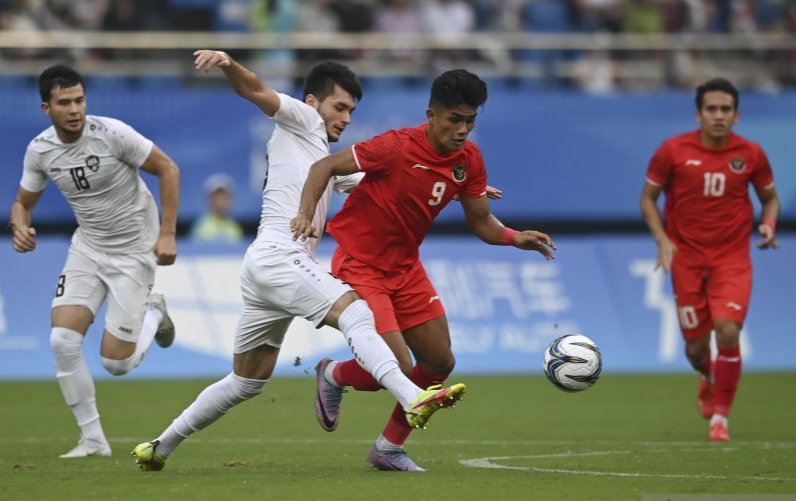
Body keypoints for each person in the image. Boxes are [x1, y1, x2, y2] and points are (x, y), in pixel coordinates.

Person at [131, 50, 466, 472]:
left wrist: (450, 182)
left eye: (351, 110)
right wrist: (229, 64)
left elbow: (385, 183)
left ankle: (160, 447)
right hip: (279, 257)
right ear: (313, 103)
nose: (345, 117)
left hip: (266, 269)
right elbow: (256, 89)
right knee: (356, 313)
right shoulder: (301, 119)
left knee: (246, 381)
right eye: (339, 107)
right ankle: (412, 397)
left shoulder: (326, 159)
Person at [291, 68, 556, 471]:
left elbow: (482, 221)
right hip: (361, 264)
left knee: (438, 363)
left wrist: (513, 237)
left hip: (406, 268)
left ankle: (388, 448)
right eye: (455, 119)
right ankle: (335, 375)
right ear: (432, 114)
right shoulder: (394, 147)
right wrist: (306, 216)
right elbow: (322, 168)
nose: (463, 129)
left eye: (470, 120)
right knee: (394, 368)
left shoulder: (469, 160)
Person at [8, 64, 180, 458]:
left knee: (115, 364)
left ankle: (155, 312)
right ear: (45, 108)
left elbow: (168, 168)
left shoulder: (113, 134)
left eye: (80, 100)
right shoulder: (40, 150)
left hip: (134, 249)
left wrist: (167, 233)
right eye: (64, 102)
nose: (75, 109)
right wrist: (20, 226)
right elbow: (22, 202)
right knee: (62, 339)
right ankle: (93, 441)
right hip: (88, 247)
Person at [639, 77, 779, 442]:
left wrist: (767, 224)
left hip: (732, 258)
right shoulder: (672, 150)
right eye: (712, 109)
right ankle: (706, 374)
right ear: (698, 114)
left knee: (728, 329)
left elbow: (770, 199)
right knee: (697, 348)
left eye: (725, 110)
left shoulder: (751, 154)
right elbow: (648, 199)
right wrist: (662, 238)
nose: (718, 116)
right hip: (686, 258)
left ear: (736, 116)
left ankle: (721, 418)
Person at [190, 173, 244, 244]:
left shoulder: (235, 227)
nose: (220, 202)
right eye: (216, 198)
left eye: (224, 198)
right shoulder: (201, 226)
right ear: (209, 200)